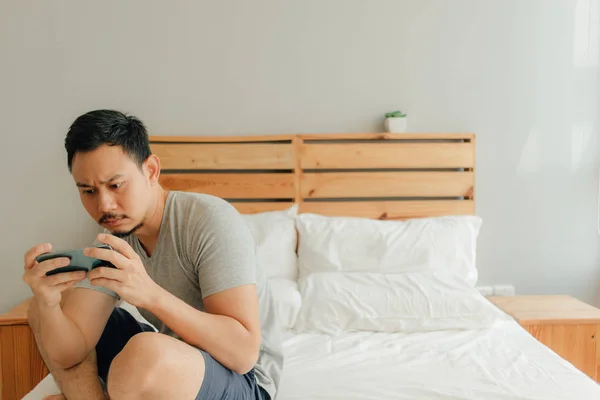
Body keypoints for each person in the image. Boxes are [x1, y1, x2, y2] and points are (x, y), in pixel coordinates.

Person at [22, 109, 282, 400]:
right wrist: (48, 302)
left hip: (244, 381)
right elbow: (70, 353)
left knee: (144, 355)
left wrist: (149, 294)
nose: (104, 205)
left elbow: (242, 353)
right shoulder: (112, 237)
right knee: (41, 311)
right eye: (88, 191)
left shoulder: (209, 221)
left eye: (115, 185)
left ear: (151, 171)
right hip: (176, 361)